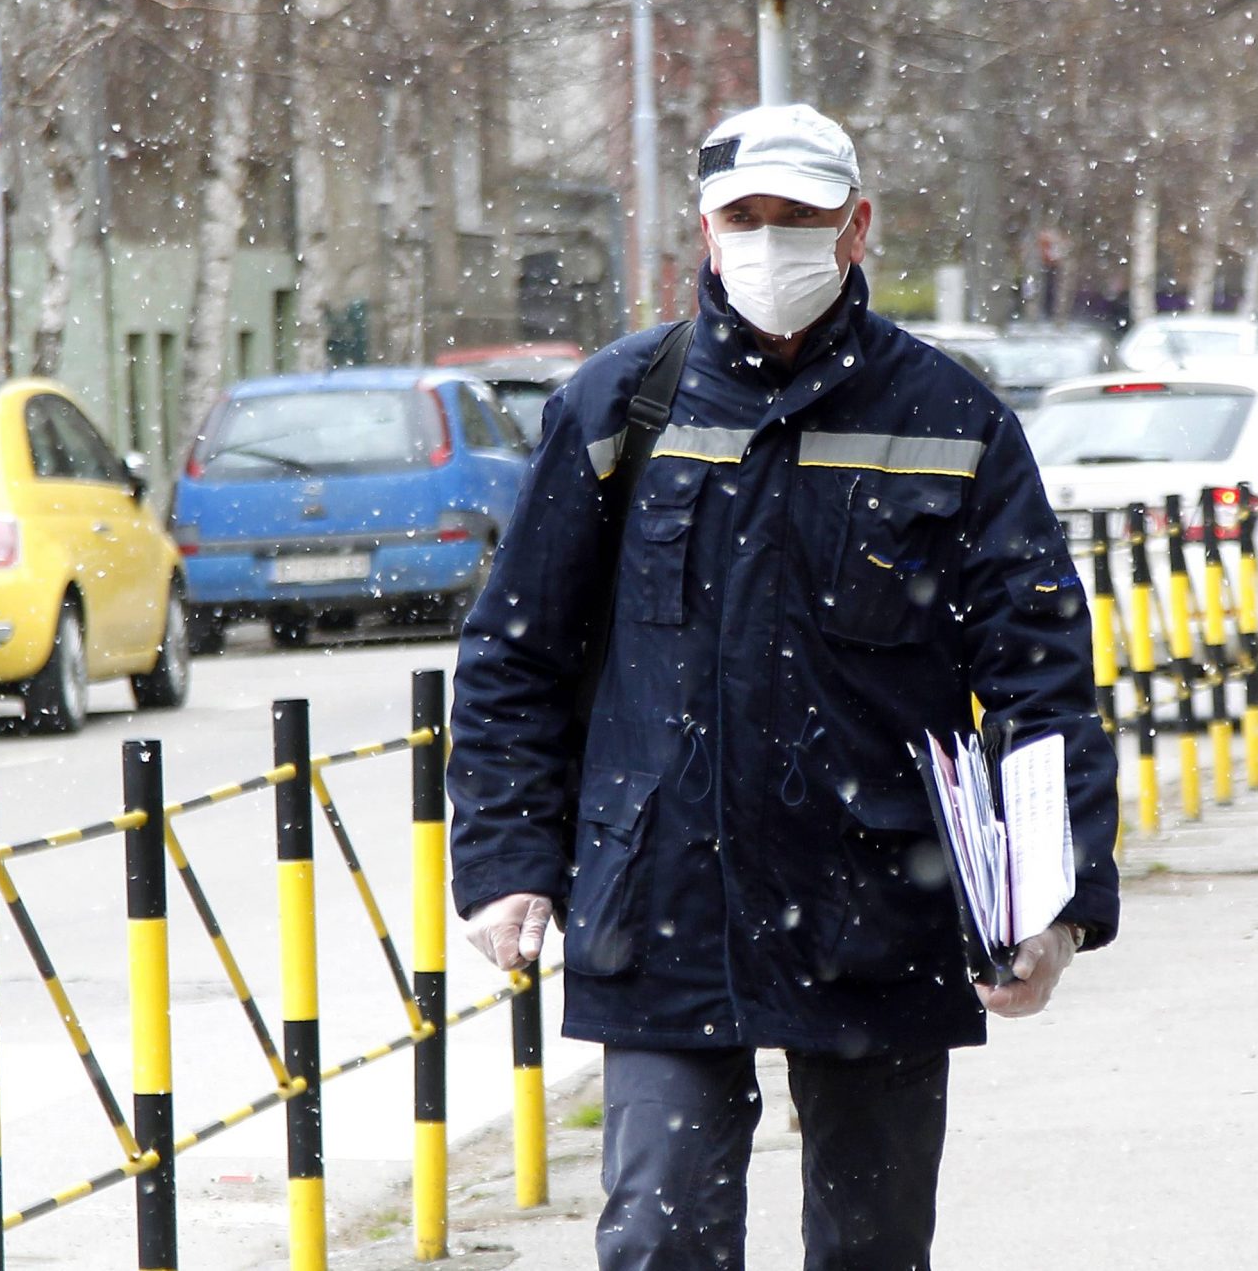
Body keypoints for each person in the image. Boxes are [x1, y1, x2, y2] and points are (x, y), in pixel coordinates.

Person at [448, 103, 1120, 1271]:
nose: (768, 242)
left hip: (880, 895)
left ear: (855, 227)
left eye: (797, 218)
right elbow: (518, 650)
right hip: (663, 899)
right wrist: (507, 859)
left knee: (872, 1246)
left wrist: (1051, 901)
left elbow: (1038, 675)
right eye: (743, 217)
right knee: (660, 1236)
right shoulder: (619, 407)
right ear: (704, 233)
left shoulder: (949, 418)